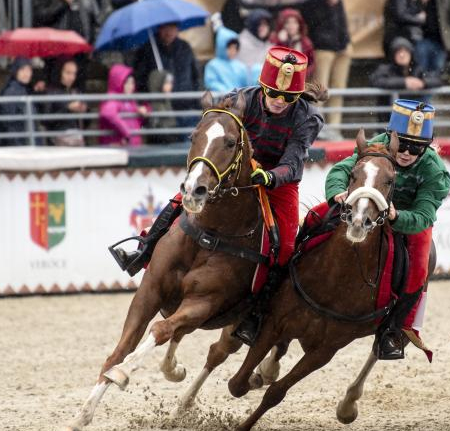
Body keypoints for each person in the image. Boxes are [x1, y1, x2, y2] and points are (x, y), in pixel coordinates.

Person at [111, 46, 326, 344]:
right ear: (262, 86)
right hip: (234, 169)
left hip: (278, 181)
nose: (280, 101)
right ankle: (144, 249)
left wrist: (269, 176)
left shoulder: (307, 118)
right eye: (273, 93)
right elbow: (217, 127)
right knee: (182, 198)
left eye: (288, 97)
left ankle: (258, 311)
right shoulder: (242, 99)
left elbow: (293, 163)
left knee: (286, 245)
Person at [325, 99, 450, 359]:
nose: (406, 153)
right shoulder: (377, 145)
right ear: (390, 138)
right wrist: (337, 192)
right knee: (316, 220)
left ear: (426, 148)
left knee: (419, 268)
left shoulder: (435, 172)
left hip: (406, 219)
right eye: (402, 145)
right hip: (365, 207)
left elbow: (424, 215)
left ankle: (394, 331)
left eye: (415, 148)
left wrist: (397, 217)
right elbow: (342, 169)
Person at [301, 0, 352, 140]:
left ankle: (335, 127)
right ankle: (318, 127)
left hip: (341, 45)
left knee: (339, 89)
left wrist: (346, 40)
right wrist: (327, 5)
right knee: (320, 89)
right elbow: (312, 21)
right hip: (322, 47)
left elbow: (341, 17)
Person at [132, 23, 200, 132]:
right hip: (161, 111)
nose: (169, 32)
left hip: (186, 108)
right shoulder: (148, 50)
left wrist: (197, 106)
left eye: (172, 28)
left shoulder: (185, 47)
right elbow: (140, 80)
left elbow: (195, 77)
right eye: (165, 28)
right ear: (159, 29)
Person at [370, 37, 442, 106]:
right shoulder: (385, 69)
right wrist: (404, 82)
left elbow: (437, 79)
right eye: (398, 52)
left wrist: (422, 83)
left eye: (405, 51)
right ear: (393, 54)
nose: (402, 55)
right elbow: (377, 81)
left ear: (410, 54)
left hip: (414, 114)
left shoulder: (418, 69)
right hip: (390, 114)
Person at [414, 0, 450, 76]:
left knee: (436, 73)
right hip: (422, 38)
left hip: (439, 37)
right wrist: (421, 2)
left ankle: (431, 95)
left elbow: (448, 7)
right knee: (421, 72)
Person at [99, 64, 150, 147]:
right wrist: (127, 133)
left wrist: (144, 111)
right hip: (118, 149)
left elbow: (136, 122)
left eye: (132, 83)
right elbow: (108, 113)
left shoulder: (130, 100)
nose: (131, 87)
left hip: (132, 146)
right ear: (118, 82)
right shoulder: (112, 99)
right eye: (127, 83)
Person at [43, 58, 87, 146]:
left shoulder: (75, 92)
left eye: (74, 73)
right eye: (68, 73)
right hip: (58, 140)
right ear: (60, 72)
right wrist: (67, 108)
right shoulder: (51, 92)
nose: (71, 77)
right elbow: (46, 120)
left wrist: (84, 110)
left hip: (76, 138)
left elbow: (85, 123)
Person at [0, 58, 33, 147]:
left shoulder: (21, 88)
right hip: (14, 145)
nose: (27, 74)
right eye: (22, 70)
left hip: (19, 142)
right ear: (16, 71)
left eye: (29, 70)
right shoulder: (12, 91)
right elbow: (9, 123)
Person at [269, 9, 315, 78]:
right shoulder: (275, 40)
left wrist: (302, 74)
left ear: (299, 25)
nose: (291, 26)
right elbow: (274, 61)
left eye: (295, 22)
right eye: (287, 23)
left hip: (299, 79)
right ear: (283, 25)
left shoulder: (305, 42)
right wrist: (282, 42)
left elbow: (312, 63)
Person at [204, 25, 250, 93]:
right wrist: (225, 92)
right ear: (222, 47)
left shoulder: (240, 66)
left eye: (235, 48)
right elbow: (211, 83)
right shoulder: (212, 65)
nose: (233, 51)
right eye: (230, 48)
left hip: (237, 101)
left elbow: (246, 86)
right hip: (220, 101)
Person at [237, 9, 274, 82]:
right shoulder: (240, 43)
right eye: (259, 24)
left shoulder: (270, 47)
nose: (263, 28)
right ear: (253, 25)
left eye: (265, 24)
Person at [146, 69, 177, 144]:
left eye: (170, 83)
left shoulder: (167, 101)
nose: (170, 86)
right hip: (159, 141)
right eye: (166, 83)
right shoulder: (154, 104)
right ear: (158, 84)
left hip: (169, 139)